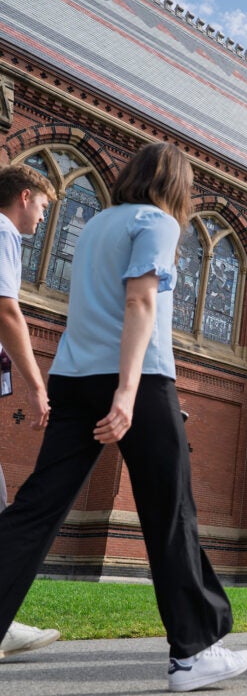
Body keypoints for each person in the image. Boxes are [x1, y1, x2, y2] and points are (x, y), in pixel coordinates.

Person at [0, 144, 247, 691]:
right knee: (171, 512)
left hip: (72, 375)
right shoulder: (157, 222)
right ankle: (193, 653)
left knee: (37, 508)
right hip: (136, 379)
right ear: (176, 185)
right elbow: (140, 302)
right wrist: (129, 392)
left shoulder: (94, 224)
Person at [0, 164, 61, 660]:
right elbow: (6, 310)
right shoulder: (2, 231)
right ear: (25, 197)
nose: (43, 219)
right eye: (43, 207)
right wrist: (37, 384)